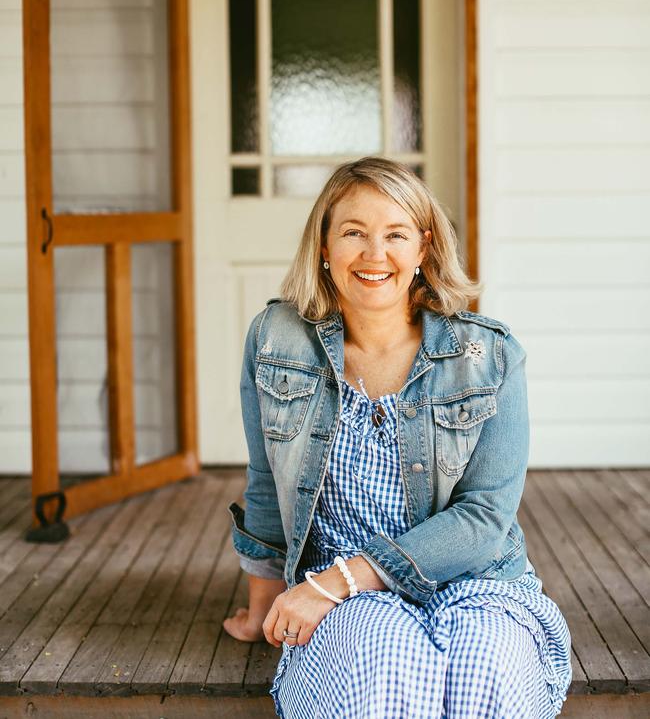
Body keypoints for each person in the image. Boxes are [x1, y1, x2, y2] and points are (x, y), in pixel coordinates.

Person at [223, 157, 572, 718]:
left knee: (491, 674)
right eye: (353, 233)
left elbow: (485, 517)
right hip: (350, 602)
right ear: (324, 245)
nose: (374, 254)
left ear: (424, 247)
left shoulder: (486, 357)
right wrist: (265, 605)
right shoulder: (277, 339)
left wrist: (335, 582)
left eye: (395, 234)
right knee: (383, 674)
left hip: (473, 582)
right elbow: (268, 479)